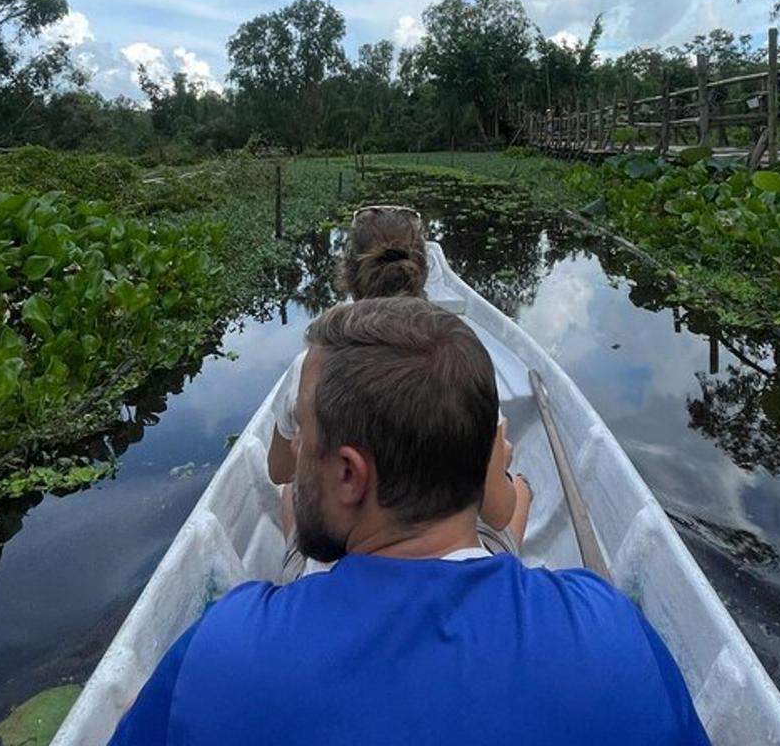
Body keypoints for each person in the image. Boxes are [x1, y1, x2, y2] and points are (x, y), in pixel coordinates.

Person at [110, 298, 711, 745]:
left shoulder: (223, 649)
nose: (299, 460)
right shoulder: (612, 631)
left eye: (306, 434)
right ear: (486, 458)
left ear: (349, 474)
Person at [268, 205, 531, 570]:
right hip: (450, 561)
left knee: (289, 493)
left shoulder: (310, 367)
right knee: (519, 487)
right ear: (421, 271)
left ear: (350, 274)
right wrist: (500, 466)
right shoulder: (461, 357)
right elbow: (498, 513)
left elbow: (280, 472)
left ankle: (298, 571)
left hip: (336, 563)